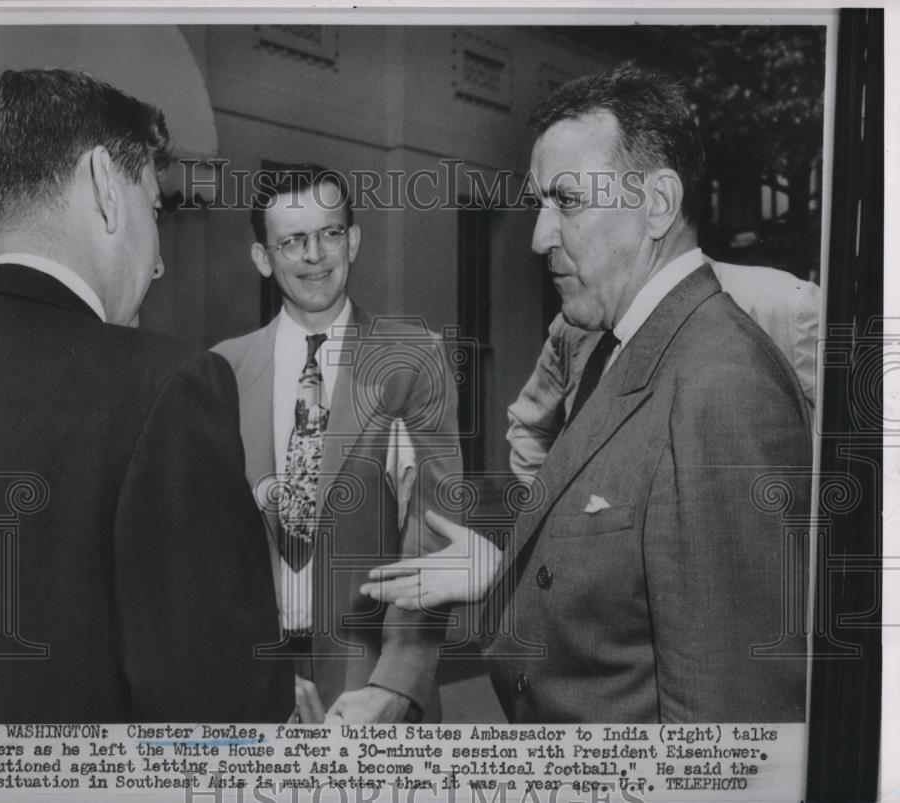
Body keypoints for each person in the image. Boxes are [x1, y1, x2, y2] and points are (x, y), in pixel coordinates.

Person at [365, 63, 812, 723]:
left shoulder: (723, 384)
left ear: (658, 204)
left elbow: (731, 736)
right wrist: (506, 573)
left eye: (567, 201)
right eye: (540, 203)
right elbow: (630, 586)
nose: (539, 237)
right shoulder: (620, 342)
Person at [0, 68, 293, 723]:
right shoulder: (168, 387)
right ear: (104, 186)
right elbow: (228, 715)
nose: (156, 263)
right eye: (154, 209)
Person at [212, 165, 462, 723]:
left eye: (329, 234)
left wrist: (396, 686)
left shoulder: (413, 359)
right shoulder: (222, 369)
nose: (314, 255)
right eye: (292, 241)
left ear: (353, 240)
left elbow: (434, 530)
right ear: (262, 257)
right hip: (257, 678)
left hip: (368, 673)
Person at [507, 258, 820, 480]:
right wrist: (555, 521)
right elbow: (531, 427)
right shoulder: (577, 325)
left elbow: (834, 451)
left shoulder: (785, 307)